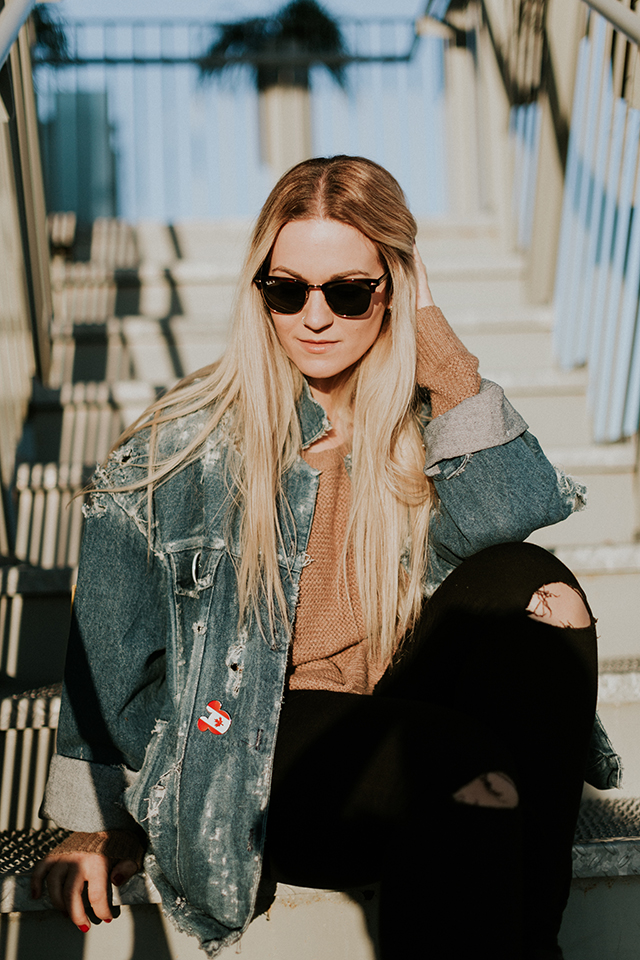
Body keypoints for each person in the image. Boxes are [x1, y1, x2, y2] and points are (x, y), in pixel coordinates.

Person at [32, 156, 620, 960]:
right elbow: (109, 653)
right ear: (260, 293)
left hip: (406, 734)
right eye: (287, 289)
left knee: (535, 587)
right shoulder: (177, 453)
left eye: (347, 291)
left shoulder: (418, 436)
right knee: (450, 760)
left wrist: (438, 348)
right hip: (242, 754)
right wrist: (87, 825)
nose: (314, 316)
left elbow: (515, 511)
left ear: (393, 290)